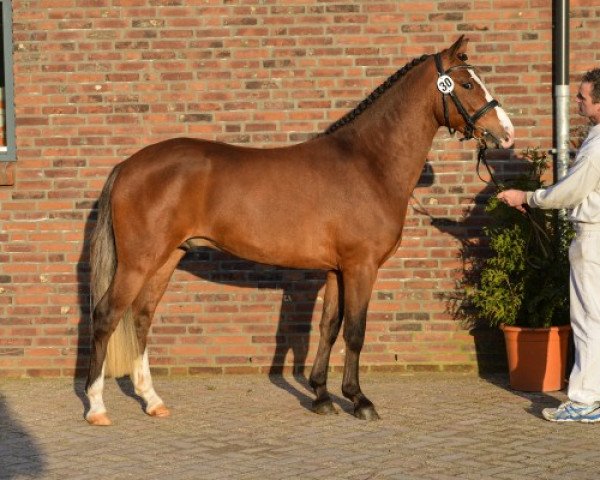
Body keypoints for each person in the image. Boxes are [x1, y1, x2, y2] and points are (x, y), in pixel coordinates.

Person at [498, 68, 600, 423]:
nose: (578, 102)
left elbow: (571, 190)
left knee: (587, 319)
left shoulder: (598, 144)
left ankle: (585, 401)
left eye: (583, 97)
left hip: (593, 237)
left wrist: (529, 196)